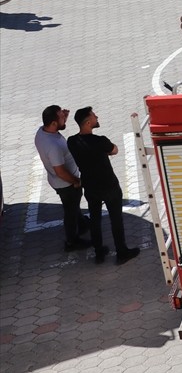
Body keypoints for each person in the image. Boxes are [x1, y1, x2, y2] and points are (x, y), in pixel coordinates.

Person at [67, 108, 140, 266]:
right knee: (116, 219)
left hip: (90, 186)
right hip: (109, 185)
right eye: (94, 116)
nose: (97, 117)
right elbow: (114, 150)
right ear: (88, 122)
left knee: (95, 219)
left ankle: (99, 252)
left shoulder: (71, 141)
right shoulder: (100, 141)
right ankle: (121, 252)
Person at [35, 104, 90, 252]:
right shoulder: (53, 146)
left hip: (58, 182)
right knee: (70, 211)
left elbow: (57, 125)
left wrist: (63, 120)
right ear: (53, 123)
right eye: (61, 117)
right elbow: (60, 171)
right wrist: (76, 181)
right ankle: (72, 241)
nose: (64, 118)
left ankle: (82, 224)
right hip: (66, 184)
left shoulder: (41, 132)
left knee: (73, 205)